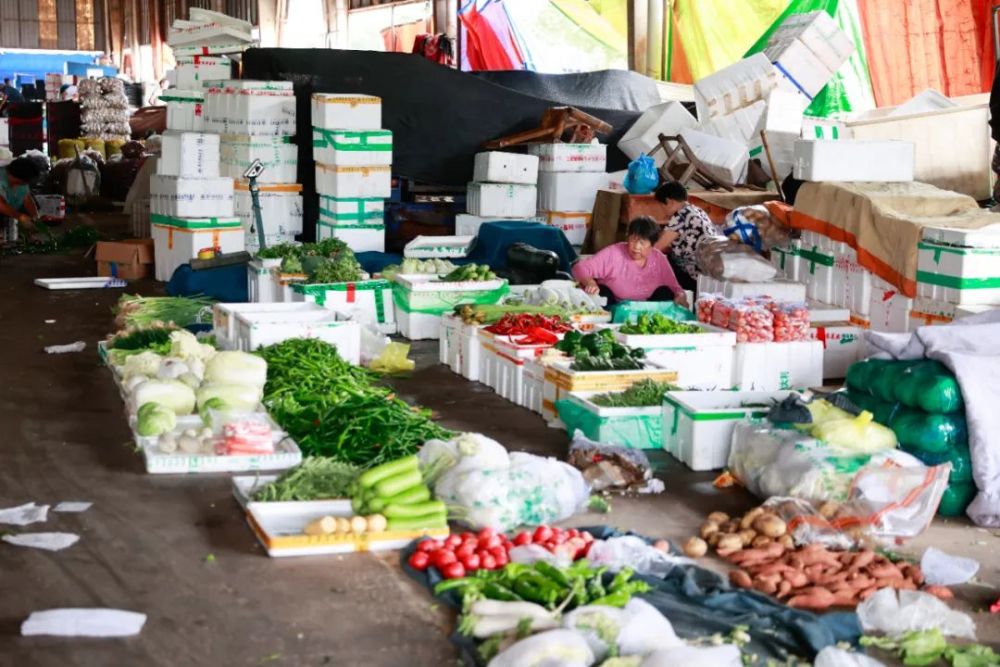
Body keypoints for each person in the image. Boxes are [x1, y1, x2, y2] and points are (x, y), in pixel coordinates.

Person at [573, 216, 687, 307]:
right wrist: (590, 282)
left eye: (642, 243)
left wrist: (680, 296)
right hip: (614, 307)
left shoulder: (659, 259)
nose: (636, 247)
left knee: (665, 293)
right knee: (603, 293)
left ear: (652, 245)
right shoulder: (614, 253)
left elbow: (675, 287)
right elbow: (579, 268)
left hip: (647, 310)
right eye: (633, 240)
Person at [651, 181, 716, 291]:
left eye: (662, 206)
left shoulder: (680, 217)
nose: (662, 211)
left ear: (669, 202)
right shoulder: (696, 210)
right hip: (708, 275)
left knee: (655, 261)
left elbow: (656, 248)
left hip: (693, 277)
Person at [0, 157, 41, 240]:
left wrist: (35, 217)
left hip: (11, 207)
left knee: (34, 206)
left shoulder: (22, 181)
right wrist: (20, 216)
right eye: (21, 182)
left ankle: (26, 233)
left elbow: (27, 199)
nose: (23, 184)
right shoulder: (1, 180)